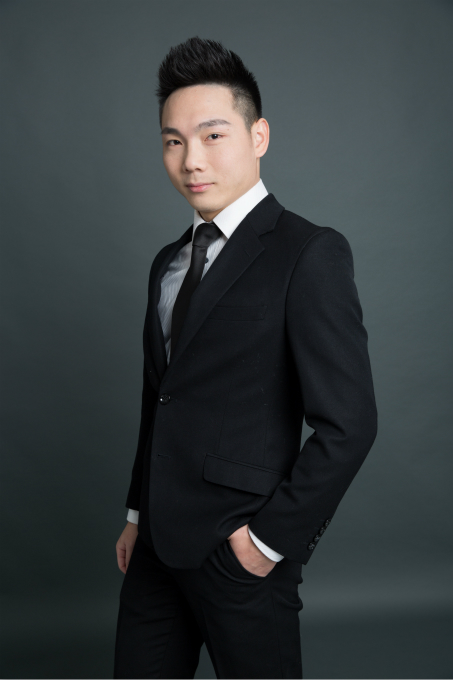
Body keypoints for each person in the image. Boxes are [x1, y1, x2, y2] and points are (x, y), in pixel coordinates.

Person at [113, 36, 377, 680]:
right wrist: (136, 514)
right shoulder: (168, 261)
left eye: (212, 135)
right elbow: (161, 397)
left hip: (239, 551)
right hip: (154, 549)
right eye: (173, 141)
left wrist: (266, 543)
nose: (191, 159)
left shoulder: (309, 253)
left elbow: (349, 424)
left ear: (258, 136)